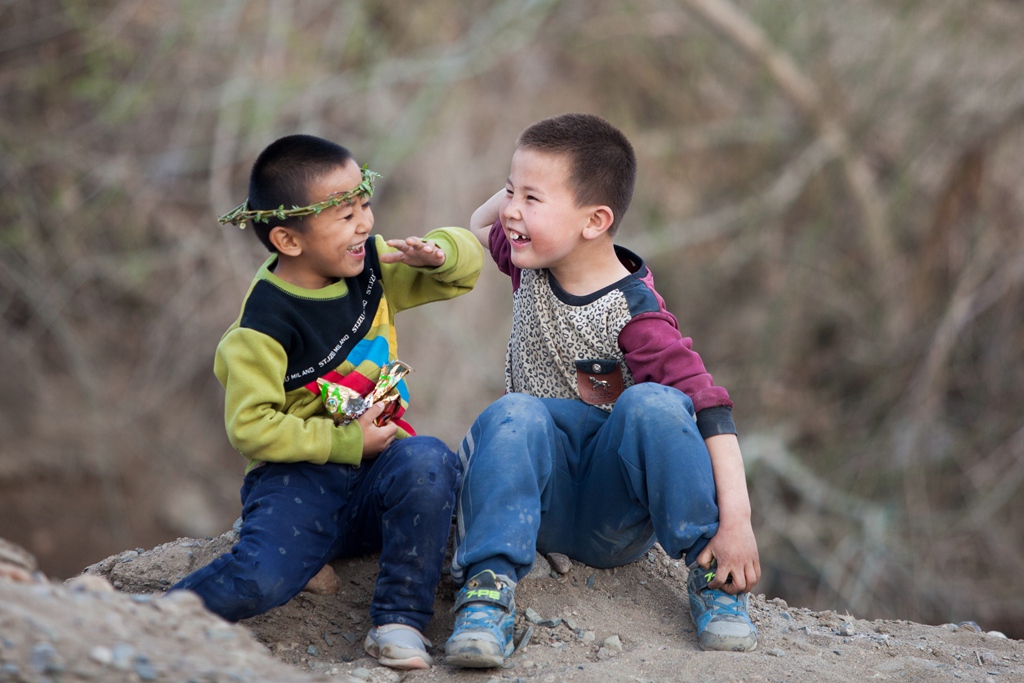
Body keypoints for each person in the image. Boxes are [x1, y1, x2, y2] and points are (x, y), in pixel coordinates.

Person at [444, 113, 760, 668]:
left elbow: (711, 410)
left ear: (595, 221)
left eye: (531, 199)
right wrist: (525, 188)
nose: (511, 211)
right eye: (510, 192)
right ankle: (487, 589)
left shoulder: (637, 314)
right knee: (514, 413)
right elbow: (477, 223)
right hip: (535, 502)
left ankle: (714, 577)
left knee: (655, 404)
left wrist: (738, 523)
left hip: (611, 514)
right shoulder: (530, 261)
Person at [168, 134, 484, 671]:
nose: (364, 223)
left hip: (376, 474)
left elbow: (463, 276)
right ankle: (157, 614)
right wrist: (344, 440)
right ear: (289, 241)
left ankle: (399, 621)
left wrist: (443, 251)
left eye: (364, 204)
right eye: (344, 215)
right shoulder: (261, 328)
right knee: (261, 577)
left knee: (431, 460)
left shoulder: (368, 271)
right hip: (297, 481)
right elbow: (251, 427)